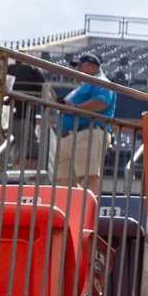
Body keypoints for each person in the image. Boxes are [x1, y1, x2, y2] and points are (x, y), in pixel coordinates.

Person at [54, 52, 116, 195]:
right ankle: (69, 215)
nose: (78, 70)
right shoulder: (83, 85)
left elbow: (101, 102)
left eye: (81, 66)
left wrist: (74, 108)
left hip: (88, 132)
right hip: (69, 135)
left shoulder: (100, 81)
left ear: (91, 66)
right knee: (64, 183)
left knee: (88, 177)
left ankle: (86, 215)